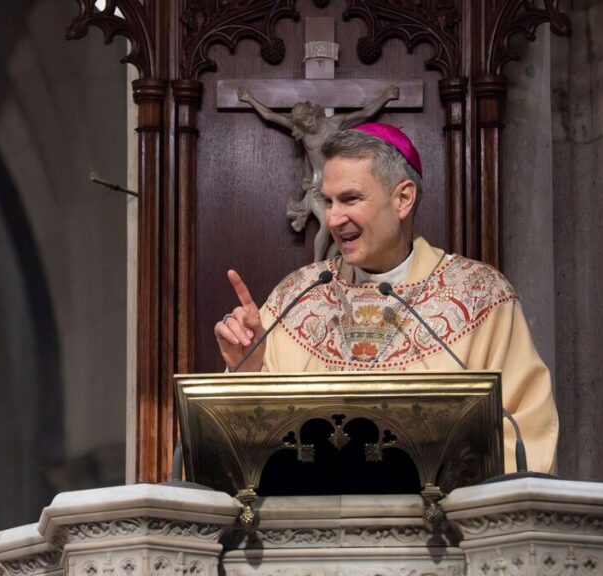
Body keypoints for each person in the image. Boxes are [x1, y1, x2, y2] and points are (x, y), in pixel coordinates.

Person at [214, 123, 558, 474]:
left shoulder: (481, 296)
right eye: (327, 201)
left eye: (350, 199)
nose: (332, 218)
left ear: (403, 198)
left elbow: (525, 433)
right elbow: (247, 441)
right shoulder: (299, 295)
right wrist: (248, 366)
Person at [238, 86, 399, 261]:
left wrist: (386, 97)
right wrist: (248, 98)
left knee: (337, 227)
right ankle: (316, 265)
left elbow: (366, 113)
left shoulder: (334, 123)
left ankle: (330, 262)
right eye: (302, 123)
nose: (307, 124)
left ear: (313, 113)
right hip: (316, 186)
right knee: (326, 225)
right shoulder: (304, 133)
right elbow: (270, 115)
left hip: (337, 186)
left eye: (308, 118)